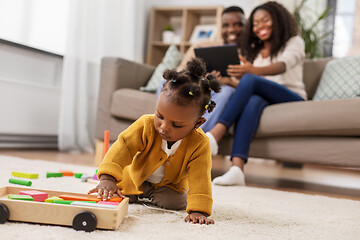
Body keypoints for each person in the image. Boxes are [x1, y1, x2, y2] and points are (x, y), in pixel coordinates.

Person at [89, 58, 221, 225]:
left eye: (176, 125)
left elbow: (200, 176)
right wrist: (107, 178)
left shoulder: (200, 143)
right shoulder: (145, 125)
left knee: (176, 202)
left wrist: (198, 210)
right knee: (119, 190)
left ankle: (151, 195)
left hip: (169, 187)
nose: (164, 127)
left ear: (197, 123)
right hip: (134, 179)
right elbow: (123, 146)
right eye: (160, 116)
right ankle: (133, 191)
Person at [206, 1, 307, 186]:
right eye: (255, 23)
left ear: (278, 20)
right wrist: (226, 80)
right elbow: (249, 85)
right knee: (253, 100)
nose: (260, 26)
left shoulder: (294, 42)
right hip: (266, 99)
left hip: (292, 98)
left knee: (251, 80)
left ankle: (215, 134)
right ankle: (237, 169)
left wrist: (251, 71)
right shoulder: (257, 53)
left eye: (265, 20)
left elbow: (282, 66)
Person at [157, 6, 246, 133]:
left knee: (225, 92)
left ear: (246, 25)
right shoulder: (202, 45)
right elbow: (180, 71)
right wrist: (200, 79)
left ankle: (193, 137)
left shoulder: (252, 54)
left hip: (222, 90)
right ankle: (163, 125)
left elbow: (251, 85)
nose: (231, 29)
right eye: (226, 25)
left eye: (238, 24)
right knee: (163, 83)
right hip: (198, 87)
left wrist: (225, 81)